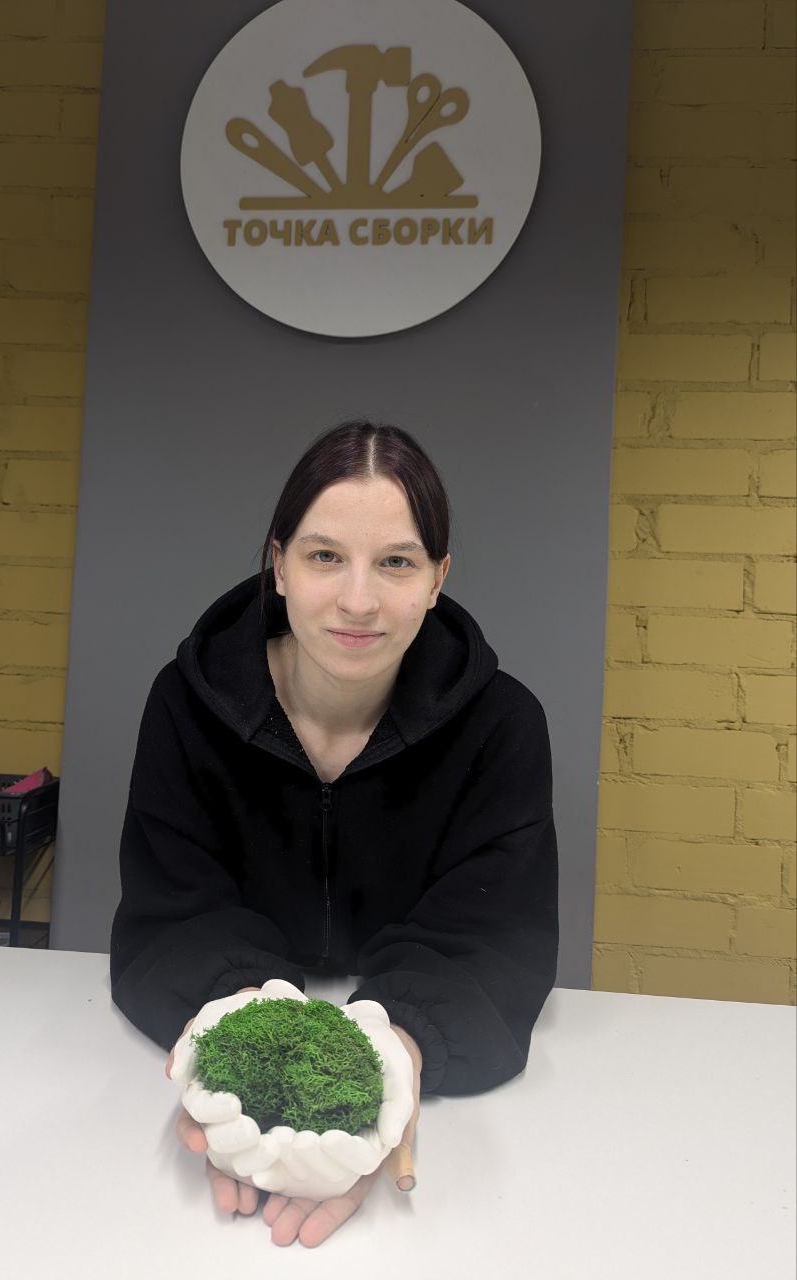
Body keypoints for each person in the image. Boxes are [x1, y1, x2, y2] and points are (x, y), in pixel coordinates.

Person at [110, 419, 559, 1247]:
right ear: (278, 564)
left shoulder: (504, 727)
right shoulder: (184, 704)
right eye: (325, 556)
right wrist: (244, 1040)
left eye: (397, 562)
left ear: (438, 578)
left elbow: (495, 932)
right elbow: (172, 907)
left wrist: (397, 1052)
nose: (358, 600)